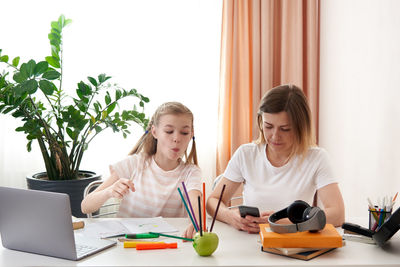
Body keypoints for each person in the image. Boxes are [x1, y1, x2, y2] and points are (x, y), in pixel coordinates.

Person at [206, 84, 345, 233]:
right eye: (268, 126)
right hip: (251, 243)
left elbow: (338, 214)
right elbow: (212, 201)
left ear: (301, 127)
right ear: (261, 122)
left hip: (293, 244)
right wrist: (230, 216)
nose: (274, 136)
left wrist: (282, 223)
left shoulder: (317, 158)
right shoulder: (246, 154)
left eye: (285, 129)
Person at [81, 102, 202, 238]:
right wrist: (109, 191)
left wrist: (198, 223)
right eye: (169, 131)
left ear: (191, 134)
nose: (177, 139)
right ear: (154, 132)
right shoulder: (134, 164)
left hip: (168, 249)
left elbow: (196, 201)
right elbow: (85, 206)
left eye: (184, 133)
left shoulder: (191, 172)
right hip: (127, 246)